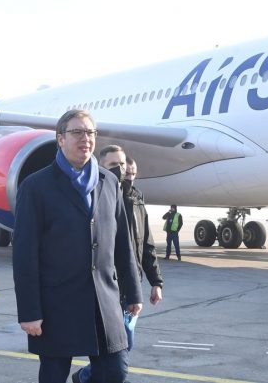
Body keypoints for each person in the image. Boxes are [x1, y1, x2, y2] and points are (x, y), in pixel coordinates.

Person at [13, 110, 142, 383]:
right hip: (57, 304)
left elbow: (123, 242)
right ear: (60, 139)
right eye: (77, 132)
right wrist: (29, 312)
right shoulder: (36, 186)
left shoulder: (109, 182)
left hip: (103, 301)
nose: (86, 138)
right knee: (53, 376)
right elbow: (24, 255)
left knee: (115, 373)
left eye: (90, 132)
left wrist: (133, 291)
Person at [74, 150, 164, 383]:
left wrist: (156, 281)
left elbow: (145, 243)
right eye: (114, 164)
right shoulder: (97, 195)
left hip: (130, 284)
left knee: (124, 344)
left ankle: (86, 376)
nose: (122, 171)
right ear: (101, 166)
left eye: (125, 167)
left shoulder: (136, 198)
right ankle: (87, 376)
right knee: (115, 351)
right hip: (107, 286)